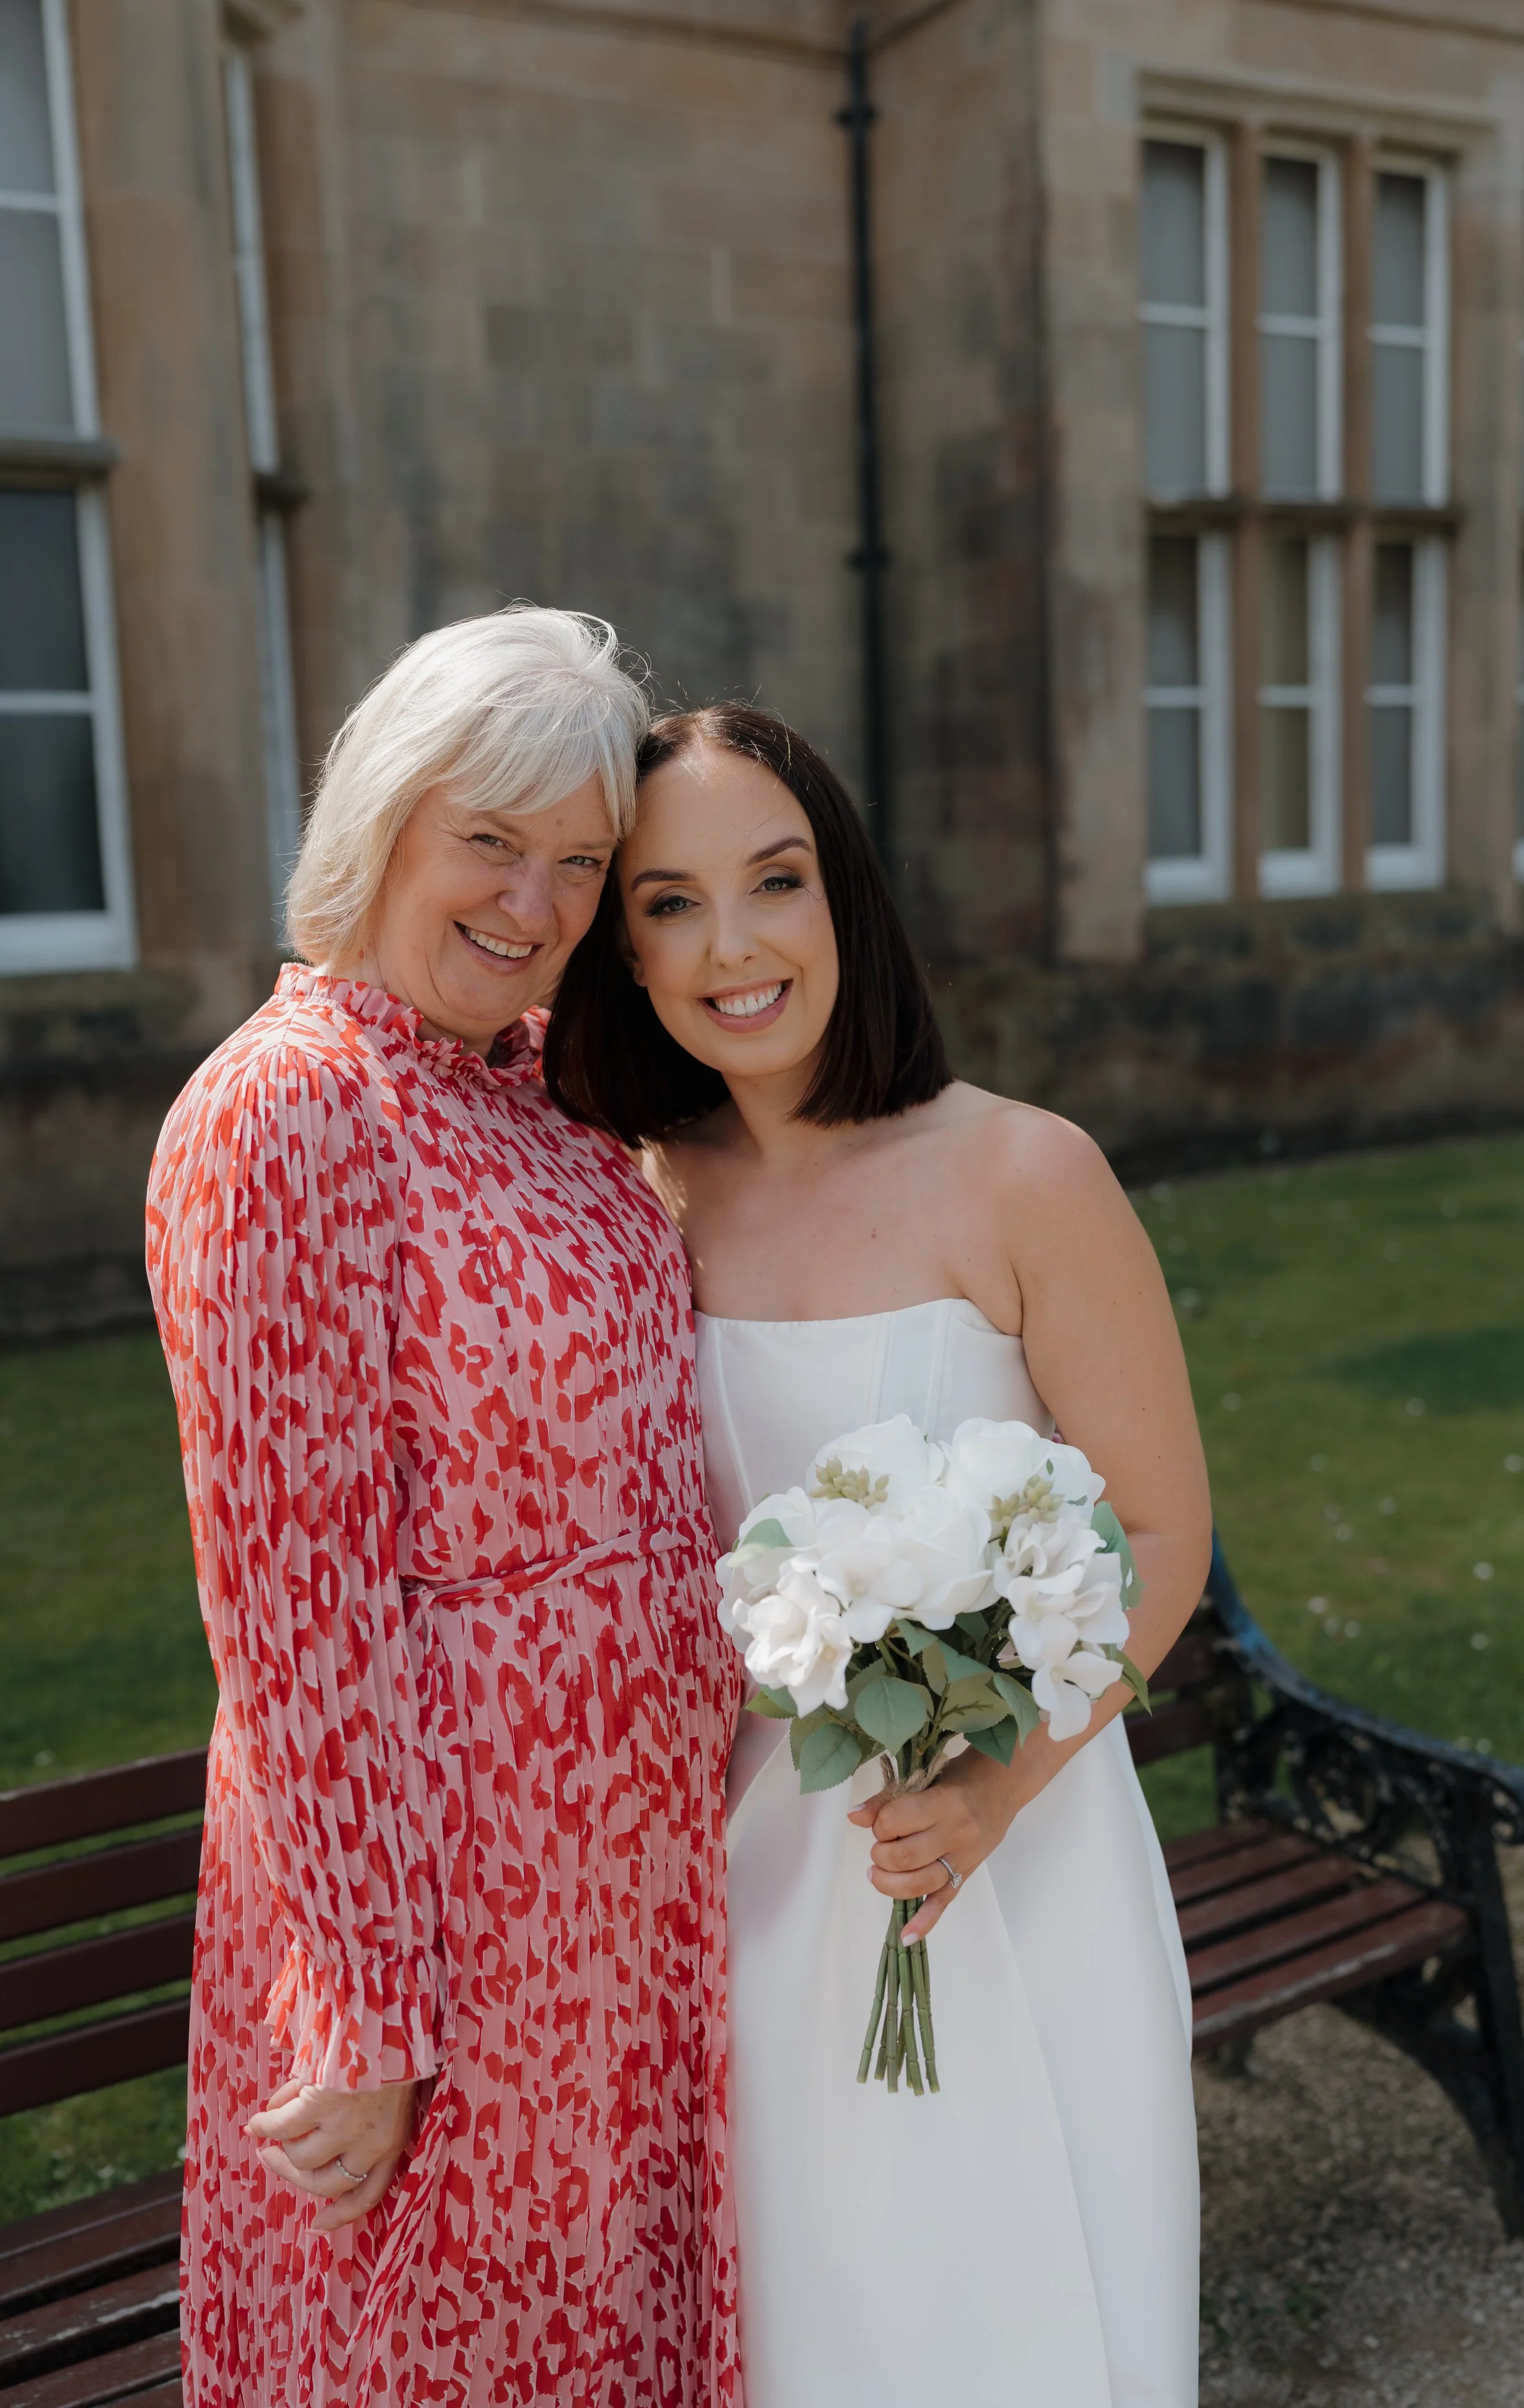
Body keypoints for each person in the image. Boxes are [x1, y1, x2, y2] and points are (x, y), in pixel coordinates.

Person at [545, 702, 1209, 2408]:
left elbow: (1157, 1527)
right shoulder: (636, 1198)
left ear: (845, 897)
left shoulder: (1021, 1170)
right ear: (622, 954)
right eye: (669, 903)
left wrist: (986, 1787)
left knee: (1044, 2313)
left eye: (774, 880)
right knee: (824, 2332)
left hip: (1027, 1843)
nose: (735, 943)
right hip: (760, 1868)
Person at [146, 614, 741, 2408]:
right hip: (449, 1910)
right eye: (489, 837)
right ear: (382, 813)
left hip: (619, 1890)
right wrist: (366, 2008)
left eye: (578, 862)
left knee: (602, 2333)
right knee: (432, 2352)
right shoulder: (287, 1110)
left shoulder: (521, 1082)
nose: (535, 899)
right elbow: (291, 1615)